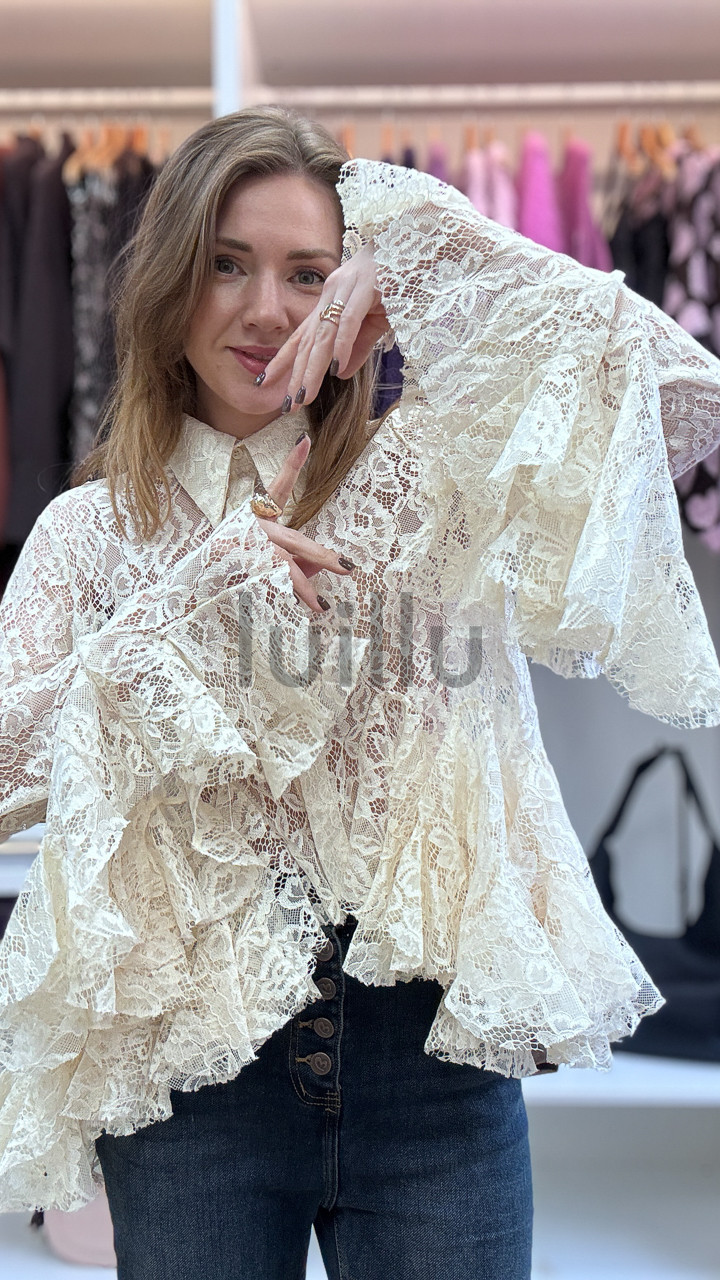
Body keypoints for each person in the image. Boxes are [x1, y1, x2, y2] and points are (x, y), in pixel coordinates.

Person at [1, 105, 720, 1279]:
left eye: (308, 272)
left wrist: (442, 258)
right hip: (192, 1091)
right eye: (226, 263)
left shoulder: (438, 473)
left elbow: (686, 398)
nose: (266, 308)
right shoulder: (92, 532)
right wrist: (181, 616)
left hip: (430, 1073)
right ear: (170, 279)